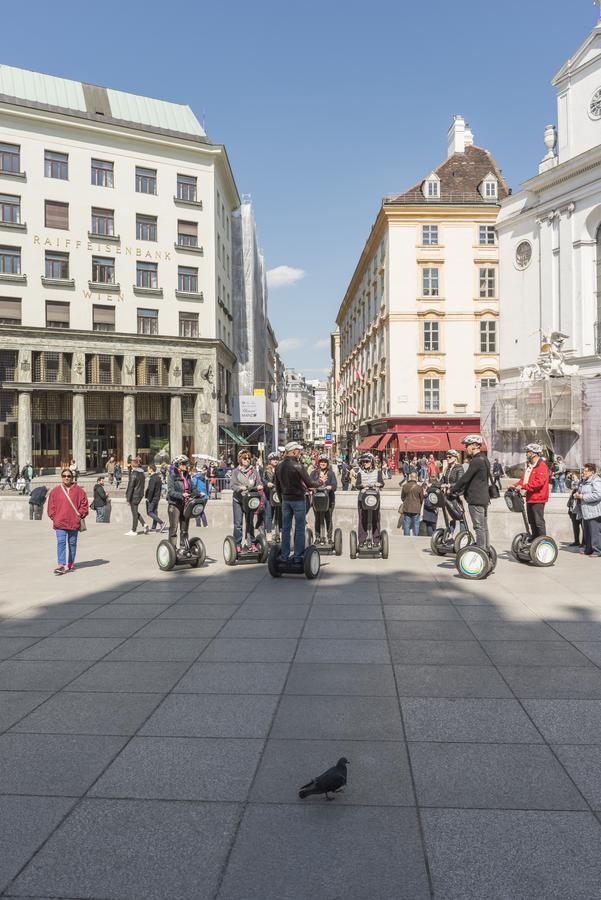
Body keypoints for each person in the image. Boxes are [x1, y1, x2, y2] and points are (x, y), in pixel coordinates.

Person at [448, 434, 491, 550]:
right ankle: (486, 548)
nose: (465, 448)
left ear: (474, 445)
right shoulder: (484, 459)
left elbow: (465, 478)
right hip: (484, 498)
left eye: (467, 445)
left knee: (478, 527)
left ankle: (481, 550)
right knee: (483, 526)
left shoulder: (476, 461)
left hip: (476, 498)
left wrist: (453, 489)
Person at [274, 441, 315, 563]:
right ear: (293, 451)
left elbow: (277, 486)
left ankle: (285, 556)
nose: (300, 452)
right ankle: (298, 556)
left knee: (285, 529)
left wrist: (282, 500)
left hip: (286, 500)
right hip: (298, 499)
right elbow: (310, 483)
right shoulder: (298, 465)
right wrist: (322, 481)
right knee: (299, 528)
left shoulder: (279, 466)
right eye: (298, 450)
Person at [47, 467, 89, 574]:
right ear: (61, 477)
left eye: (69, 476)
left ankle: (70, 563)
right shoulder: (55, 491)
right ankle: (61, 565)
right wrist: (55, 518)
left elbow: (84, 505)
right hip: (60, 522)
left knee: (72, 543)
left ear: (72, 477)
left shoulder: (79, 491)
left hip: (73, 522)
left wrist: (80, 514)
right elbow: (50, 507)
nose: (66, 478)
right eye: (64, 476)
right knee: (61, 542)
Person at [513, 443, 550, 540]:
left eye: (528, 452)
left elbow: (538, 483)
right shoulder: (530, 466)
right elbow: (524, 480)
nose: (526, 454)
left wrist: (523, 487)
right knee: (532, 521)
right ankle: (535, 540)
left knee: (538, 522)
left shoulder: (542, 466)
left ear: (534, 453)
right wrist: (515, 485)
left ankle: (543, 541)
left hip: (538, 498)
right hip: (530, 498)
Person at [229, 448, 263, 552]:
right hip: (238, 501)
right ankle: (238, 544)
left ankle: (251, 543)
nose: (247, 460)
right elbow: (232, 485)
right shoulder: (235, 472)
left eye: (248, 458)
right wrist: (240, 488)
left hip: (250, 501)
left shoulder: (254, 471)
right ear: (240, 459)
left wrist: (260, 486)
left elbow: (259, 482)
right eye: (245, 458)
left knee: (250, 523)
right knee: (238, 524)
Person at [167, 455, 202, 547]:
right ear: (178, 465)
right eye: (184, 463)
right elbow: (170, 491)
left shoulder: (187, 476)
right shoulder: (172, 476)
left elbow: (193, 488)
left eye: (186, 463)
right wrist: (181, 495)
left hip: (186, 504)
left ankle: (183, 547)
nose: (186, 465)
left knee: (184, 528)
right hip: (174, 505)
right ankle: (172, 549)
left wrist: (198, 493)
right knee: (173, 528)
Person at [355, 452, 384, 543]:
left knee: (375, 519)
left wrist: (379, 484)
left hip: (374, 498)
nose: (365, 463)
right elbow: (357, 485)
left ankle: (376, 540)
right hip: (362, 498)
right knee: (362, 519)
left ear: (372, 462)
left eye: (367, 461)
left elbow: (382, 483)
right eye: (363, 462)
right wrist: (361, 485)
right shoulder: (360, 472)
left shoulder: (377, 472)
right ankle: (362, 540)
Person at [573, 463, 601, 557]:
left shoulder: (596, 480)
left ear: (591, 472)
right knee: (587, 532)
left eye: (585, 471)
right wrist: (577, 494)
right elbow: (581, 491)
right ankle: (588, 549)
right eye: (583, 471)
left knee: (595, 532)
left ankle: (597, 551)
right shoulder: (584, 481)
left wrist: (582, 496)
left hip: (594, 511)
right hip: (585, 511)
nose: (583, 473)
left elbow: (598, 495)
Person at [310, 454, 338, 541]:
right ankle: (318, 537)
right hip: (317, 500)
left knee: (328, 518)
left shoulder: (331, 473)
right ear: (318, 463)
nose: (323, 463)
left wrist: (330, 487)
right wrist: (313, 488)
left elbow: (334, 485)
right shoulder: (314, 473)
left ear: (327, 463)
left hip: (329, 500)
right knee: (317, 518)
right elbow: (309, 483)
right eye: (321, 462)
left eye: (325, 462)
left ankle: (329, 538)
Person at [125, 456, 147, 535]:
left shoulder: (134, 474)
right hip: (140, 495)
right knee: (135, 511)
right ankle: (144, 524)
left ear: (132, 465)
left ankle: (133, 530)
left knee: (134, 513)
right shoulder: (142, 473)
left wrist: (128, 498)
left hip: (134, 496)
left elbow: (130, 487)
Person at [262, 452, 280, 539]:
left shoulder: (280, 469)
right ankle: (269, 532)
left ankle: (279, 532)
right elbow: (262, 480)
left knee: (279, 514)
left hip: (278, 495)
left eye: (276, 459)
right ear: (270, 461)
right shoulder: (266, 470)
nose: (275, 461)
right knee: (269, 514)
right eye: (273, 459)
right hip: (269, 495)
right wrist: (267, 483)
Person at [401, 472, 424, 536]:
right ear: (416, 478)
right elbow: (422, 498)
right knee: (416, 524)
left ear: (410, 477)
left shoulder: (405, 486)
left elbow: (402, 497)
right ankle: (415, 537)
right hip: (416, 508)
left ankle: (406, 537)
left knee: (406, 524)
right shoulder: (419, 487)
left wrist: (406, 501)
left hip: (407, 508)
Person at [145, 464, 166, 532]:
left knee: (149, 512)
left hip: (153, 498)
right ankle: (154, 527)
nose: (147, 470)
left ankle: (161, 523)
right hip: (157, 497)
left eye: (148, 469)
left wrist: (148, 498)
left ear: (151, 469)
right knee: (154, 511)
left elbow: (151, 489)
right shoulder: (158, 477)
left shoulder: (153, 478)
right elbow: (160, 488)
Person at [567, 480, 584, 548]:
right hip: (573, 510)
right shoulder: (576, 488)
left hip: (581, 510)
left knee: (583, 527)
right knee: (575, 526)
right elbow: (571, 499)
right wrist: (570, 510)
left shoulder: (584, 489)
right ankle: (576, 541)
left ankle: (584, 543)